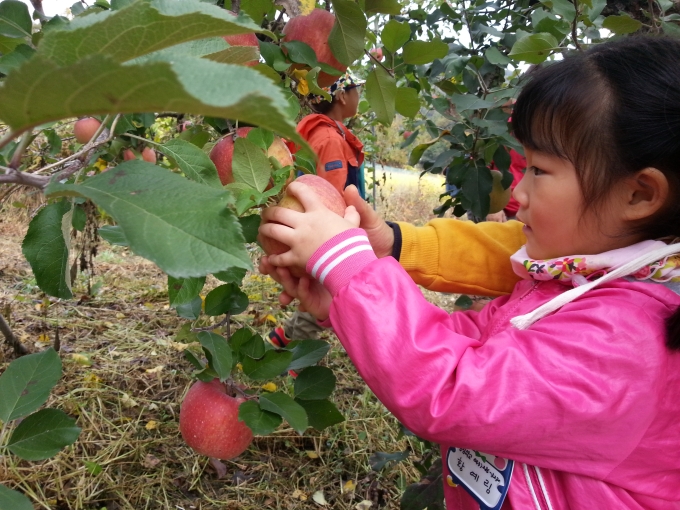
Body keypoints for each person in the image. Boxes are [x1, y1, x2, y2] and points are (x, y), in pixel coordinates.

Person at [258, 36, 680, 509]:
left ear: (639, 195)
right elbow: (469, 343)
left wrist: (346, 263)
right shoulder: (572, 289)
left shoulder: (624, 343)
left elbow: (452, 387)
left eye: (538, 170)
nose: (516, 192)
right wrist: (344, 299)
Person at [268, 70, 365, 348]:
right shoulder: (331, 139)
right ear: (343, 95)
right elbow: (329, 196)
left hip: (316, 228)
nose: (360, 96)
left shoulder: (323, 132)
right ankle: (299, 355)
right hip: (330, 232)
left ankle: (285, 335)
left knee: (317, 290)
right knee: (328, 291)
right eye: (357, 90)